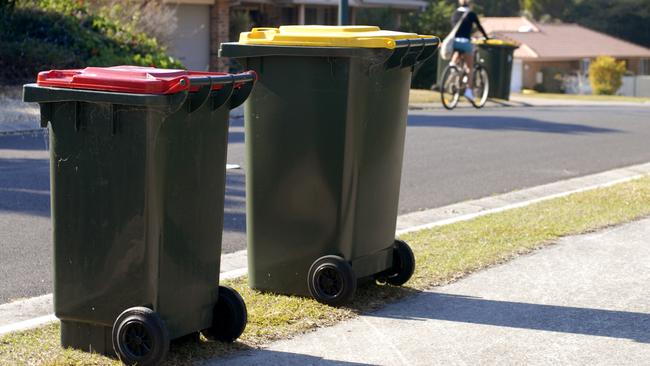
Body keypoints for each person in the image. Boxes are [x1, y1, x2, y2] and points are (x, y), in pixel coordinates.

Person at [450, 0, 489, 101]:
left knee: (457, 54)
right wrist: (486, 37)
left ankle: (453, 67)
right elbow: (479, 27)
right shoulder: (471, 14)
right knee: (469, 68)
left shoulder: (455, 13)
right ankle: (468, 91)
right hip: (465, 42)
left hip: (454, 42)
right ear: (470, 4)